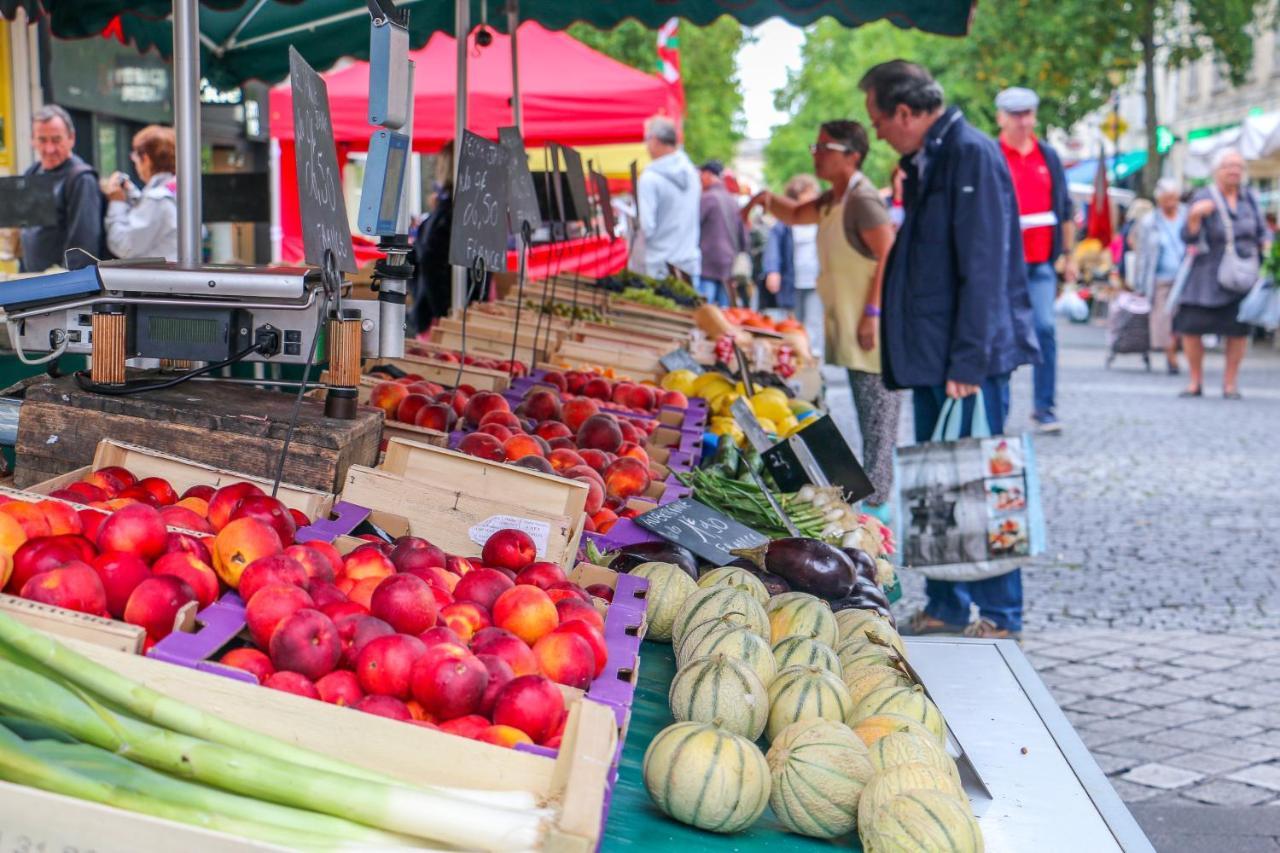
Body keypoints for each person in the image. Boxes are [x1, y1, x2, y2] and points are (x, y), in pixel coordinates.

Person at [858, 60, 1038, 639]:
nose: (880, 132)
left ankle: (1001, 613)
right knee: (940, 479)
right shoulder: (933, 155)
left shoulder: (970, 154)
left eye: (881, 120)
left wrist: (968, 359)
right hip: (942, 351)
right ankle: (948, 602)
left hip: (966, 357)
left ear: (907, 112)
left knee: (981, 478)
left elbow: (984, 265)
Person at [743, 121, 901, 517]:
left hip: (874, 332)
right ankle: (873, 511)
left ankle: (878, 520)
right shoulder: (835, 199)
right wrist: (763, 198)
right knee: (870, 426)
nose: (814, 153)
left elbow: (890, 256)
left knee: (879, 432)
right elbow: (795, 213)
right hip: (851, 330)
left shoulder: (863, 200)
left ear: (851, 155)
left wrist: (872, 313)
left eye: (823, 146)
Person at [995, 87, 1075, 434]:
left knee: (1044, 328)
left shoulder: (1048, 156)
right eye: (1016, 115)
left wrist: (1069, 255)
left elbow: (1065, 208)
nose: (1023, 122)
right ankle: (998, 409)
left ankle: (1044, 407)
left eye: (1028, 114)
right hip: (1001, 264)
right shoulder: (993, 154)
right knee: (1003, 335)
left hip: (1041, 261)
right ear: (1002, 118)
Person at [1175, 149, 1267, 399]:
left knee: (1237, 330)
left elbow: (1262, 233)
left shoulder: (1249, 198)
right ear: (1217, 171)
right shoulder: (1204, 196)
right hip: (1205, 275)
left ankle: (1230, 383)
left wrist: (1268, 251)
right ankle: (1195, 381)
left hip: (1242, 275)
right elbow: (1187, 237)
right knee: (1192, 327)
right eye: (1228, 166)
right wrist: (1194, 216)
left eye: (1238, 166)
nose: (1234, 171)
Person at [19, 104, 104, 271]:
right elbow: (30, 235)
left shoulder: (82, 179)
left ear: (71, 138)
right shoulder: (32, 172)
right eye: (42, 140)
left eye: (56, 140)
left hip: (61, 289)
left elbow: (82, 250)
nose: (49, 149)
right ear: (32, 140)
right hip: (30, 282)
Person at [636, 116, 700, 282]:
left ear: (655, 140)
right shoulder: (692, 174)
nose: (646, 146)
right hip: (689, 265)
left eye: (646, 139)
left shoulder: (650, 178)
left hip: (659, 268)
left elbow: (646, 227)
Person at [101, 125, 178, 261]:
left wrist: (117, 202)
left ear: (146, 159)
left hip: (157, 280)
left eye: (135, 157)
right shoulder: (178, 190)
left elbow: (124, 245)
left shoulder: (157, 200)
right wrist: (133, 195)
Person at [1132, 180, 1185, 374]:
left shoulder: (1187, 216)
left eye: (1173, 198)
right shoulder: (1149, 221)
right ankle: (1170, 354)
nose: (1170, 202)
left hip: (1185, 277)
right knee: (1162, 318)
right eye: (1166, 198)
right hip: (1161, 277)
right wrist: (1140, 284)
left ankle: (1179, 349)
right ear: (1159, 200)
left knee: (1183, 318)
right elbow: (1143, 254)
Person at [760, 174, 820, 332]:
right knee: (792, 322)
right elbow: (773, 247)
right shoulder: (784, 223)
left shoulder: (821, 219)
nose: (813, 197)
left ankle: (812, 354)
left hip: (816, 280)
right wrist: (772, 271)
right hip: (792, 280)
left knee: (814, 322)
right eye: (809, 193)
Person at [412, 142, 454, 335]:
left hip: (435, 314)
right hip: (439, 321)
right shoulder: (449, 215)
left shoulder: (444, 212)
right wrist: (444, 315)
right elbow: (429, 262)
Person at [697, 160, 748, 307]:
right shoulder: (732, 200)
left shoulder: (707, 198)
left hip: (707, 264)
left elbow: (693, 227)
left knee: (706, 310)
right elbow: (743, 235)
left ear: (707, 174)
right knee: (725, 313)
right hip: (728, 263)